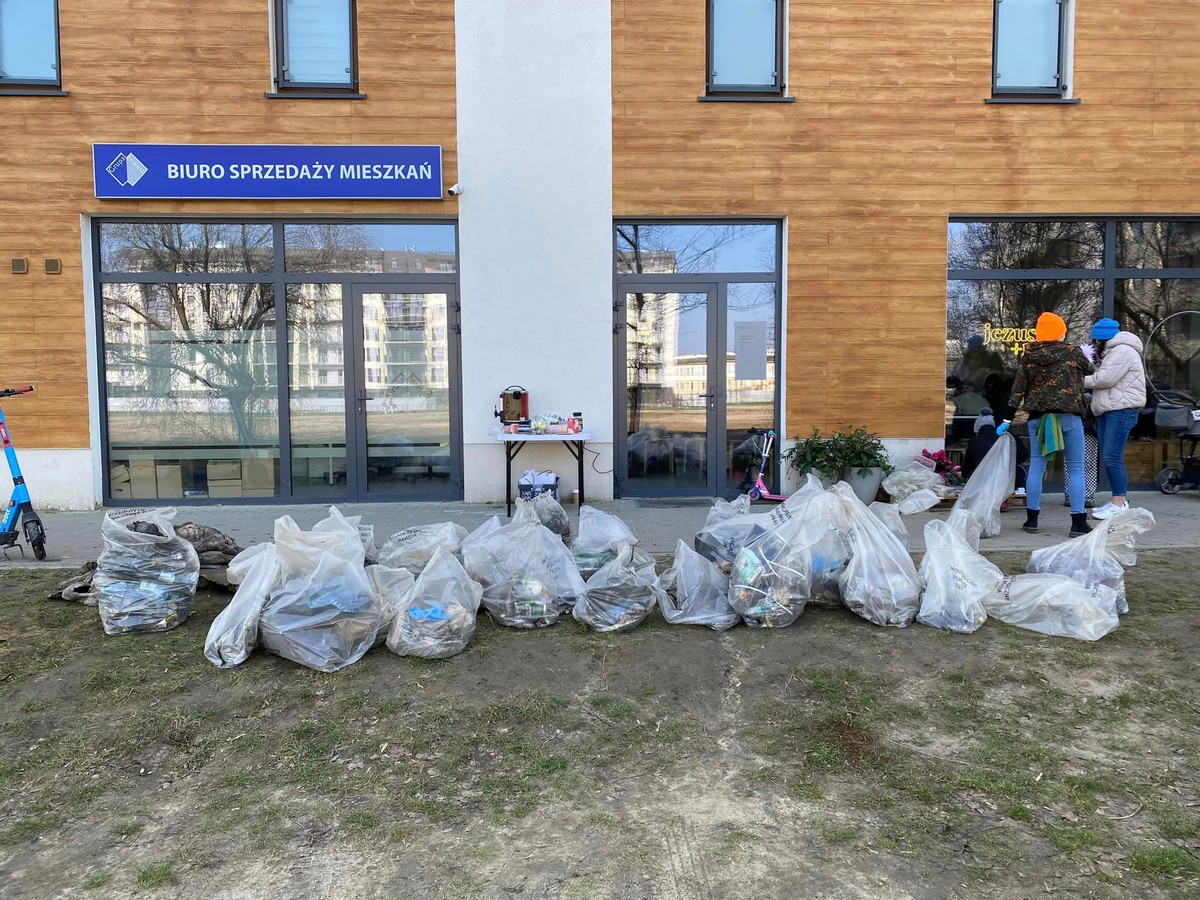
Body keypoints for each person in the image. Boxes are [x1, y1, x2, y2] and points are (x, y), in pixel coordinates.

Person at [1003, 312, 1095, 537]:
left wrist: (1007, 419)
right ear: (1060, 333)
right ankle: (1078, 522)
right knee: (1076, 468)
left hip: (1038, 419)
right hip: (1069, 417)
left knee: (1037, 466)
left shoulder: (1029, 354)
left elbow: (1017, 390)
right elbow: (1091, 370)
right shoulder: (1072, 352)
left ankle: (1032, 520)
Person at [1083, 317, 1147, 520]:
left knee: (1112, 458)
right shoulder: (1114, 351)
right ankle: (1117, 501)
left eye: (1096, 340)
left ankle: (1119, 503)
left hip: (1121, 410)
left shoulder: (1123, 351)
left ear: (1102, 339)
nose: (1094, 344)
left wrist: (1076, 380)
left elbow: (1104, 379)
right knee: (1109, 457)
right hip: (1110, 410)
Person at [964, 409, 1030, 510]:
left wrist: (964, 476)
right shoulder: (1007, 436)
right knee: (1020, 471)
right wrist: (1011, 461)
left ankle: (986, 498)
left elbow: (968, 466)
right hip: (1005, 477)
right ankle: (1003, 499)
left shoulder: (974, 441)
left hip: (982, 479)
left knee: (974, 474)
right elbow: (1024, 455)